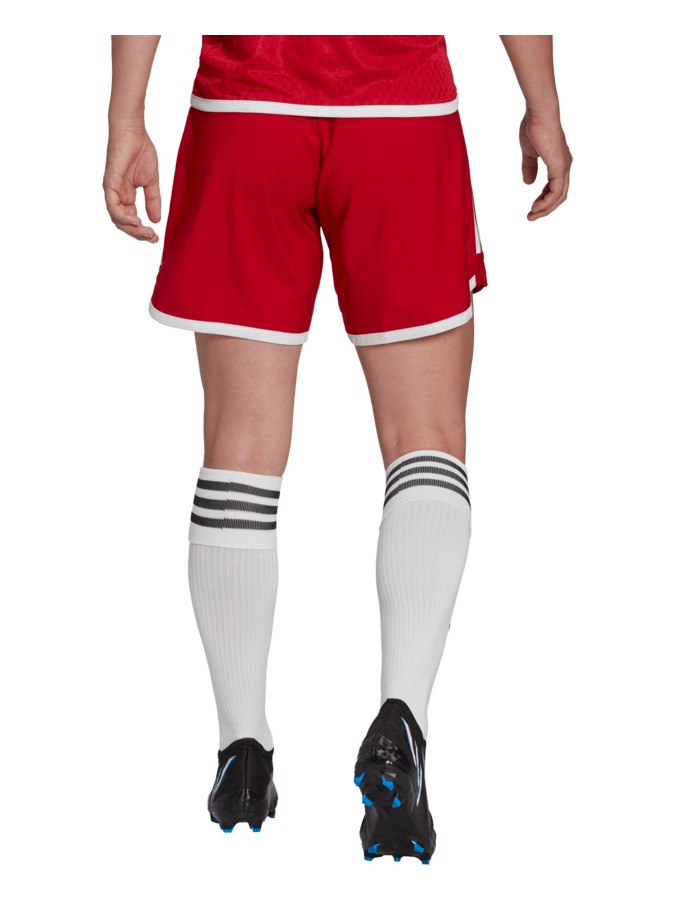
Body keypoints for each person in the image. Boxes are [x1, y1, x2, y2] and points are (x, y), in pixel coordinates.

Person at [104, 34, 572, 863]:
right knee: (424, 435)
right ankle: (401, 723)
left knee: (239, 442)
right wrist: (542, 103)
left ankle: (241, 752)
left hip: (245, 108)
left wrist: (126, 115)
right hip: (400, 109)